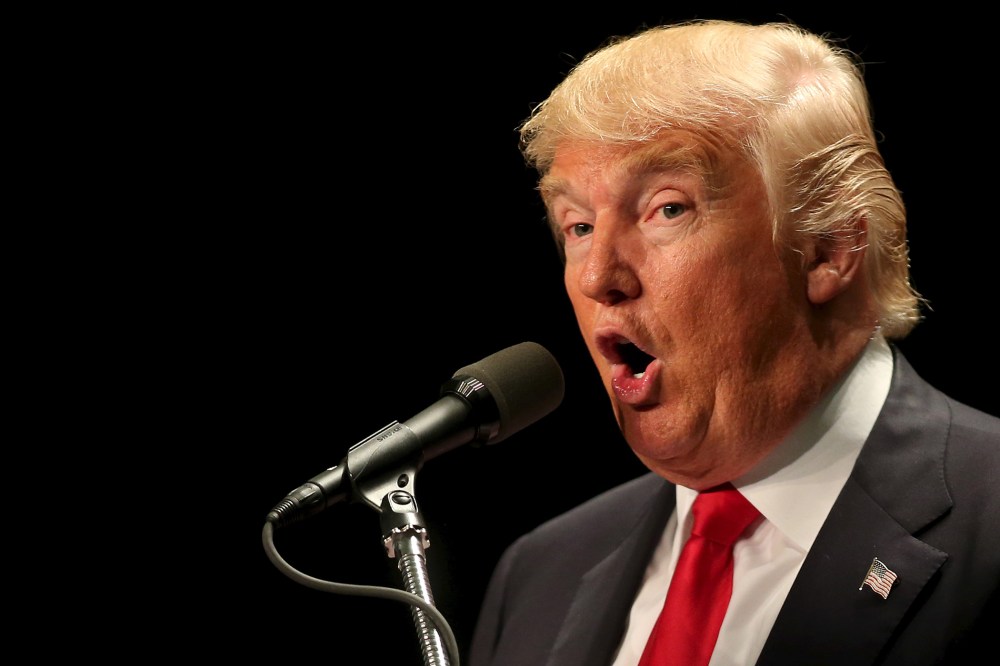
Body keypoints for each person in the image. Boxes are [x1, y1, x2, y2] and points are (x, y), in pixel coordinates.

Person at [467, 18, 999, 666]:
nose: (598, 275)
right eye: (577, 225)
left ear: (828, 249)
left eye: (667, 208)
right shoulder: (537, 576)